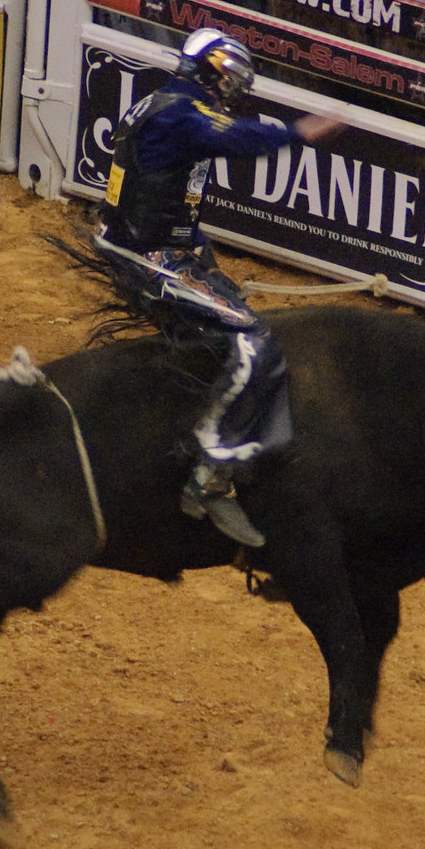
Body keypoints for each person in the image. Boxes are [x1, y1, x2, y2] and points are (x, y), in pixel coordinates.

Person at [92, 28, 343, 547]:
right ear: (218, 72)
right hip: (148, 257)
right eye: (234, 80)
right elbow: (238, 138)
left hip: (148, 245)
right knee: (254, 340)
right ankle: (209, 471)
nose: (236, 91)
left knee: (225, 315)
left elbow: (164, 196)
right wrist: (297, 132)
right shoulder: (184, 115)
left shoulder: (165, 105)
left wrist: (200, 256)